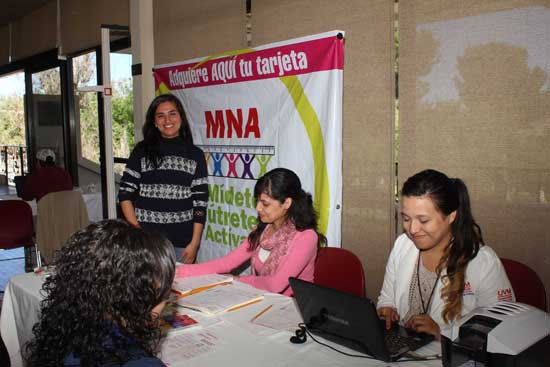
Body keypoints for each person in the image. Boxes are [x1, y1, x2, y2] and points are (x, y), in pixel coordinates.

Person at [377, 169, 514, 340]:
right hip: (405, 350)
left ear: (451, 216)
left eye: (423, 220)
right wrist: (387, 309)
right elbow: (387, 296)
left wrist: (442, 334)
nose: (412, 229)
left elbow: (502, 331)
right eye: (406, 218)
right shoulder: (402, 245)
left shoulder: (483, 262)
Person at [24, 219, 175, 367]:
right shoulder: (139, 361)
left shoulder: (68, 328)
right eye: (163, 293)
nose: (166, 300)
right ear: (133, 297)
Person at [177, 168, 325, 296]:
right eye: (258, 201)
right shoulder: (263, 229)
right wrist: (179, 272)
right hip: (263, 299)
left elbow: (276, 285)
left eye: (265, 203)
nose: (258, 208)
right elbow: (228, 262)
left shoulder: (306, 237)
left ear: (287, 203)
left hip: (293, 309)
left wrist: (237, 280)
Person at [118, 94, 209, 264]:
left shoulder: (195, 155)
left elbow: (200, 202)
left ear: (181, 117)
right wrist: (137, 232)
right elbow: (124, 194)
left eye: (172, 113)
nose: (167, 119)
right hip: (148, 242)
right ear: (154, 122)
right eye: (160, 115)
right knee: (148, 289)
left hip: (183, 244)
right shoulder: (141, 151)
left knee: (180, 289)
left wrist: (195, 243)